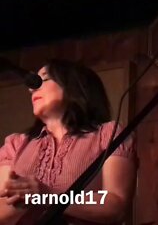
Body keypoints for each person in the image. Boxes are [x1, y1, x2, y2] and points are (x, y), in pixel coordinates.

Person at [0, 59, 137, 225]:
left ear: (74, 85)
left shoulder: (108, 134)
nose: (31, 88)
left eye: (43, 78)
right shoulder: (15, 144)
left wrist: (50, 196)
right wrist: (22, 199)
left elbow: (114, 204)